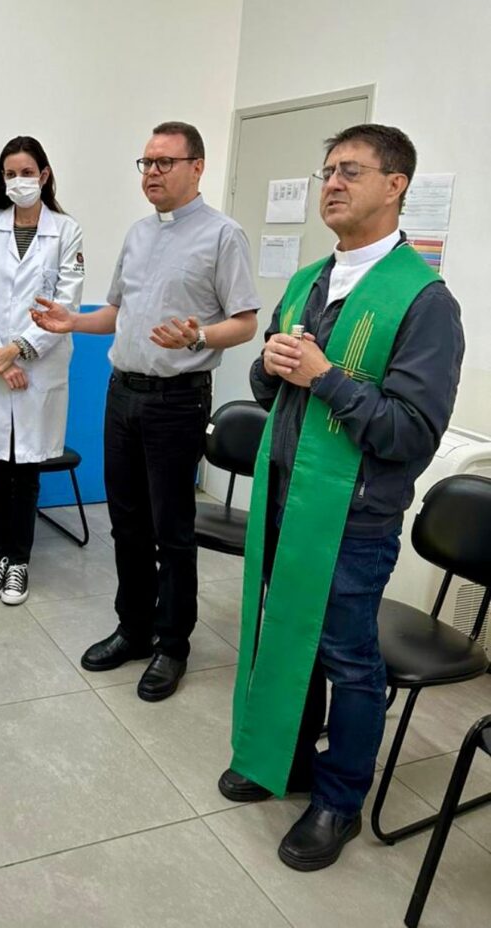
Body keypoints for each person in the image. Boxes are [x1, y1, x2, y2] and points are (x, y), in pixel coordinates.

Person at [219, 124, 465, 871]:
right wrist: (267, 367)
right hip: (286, 498)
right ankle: (281, 762)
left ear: (395, 186)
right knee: (282, 633)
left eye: (349, 171)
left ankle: (338, 800)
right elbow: (270, 391)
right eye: (326, 169)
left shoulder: (425, 303)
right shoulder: (308, 281)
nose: (330, 182)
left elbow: (410, 433)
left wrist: (325, 378)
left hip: (352, 517)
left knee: (346, 659)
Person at [32, 121, 259, 700]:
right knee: (126, 521)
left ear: (197, 167)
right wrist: (72, 322)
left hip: (176, 401)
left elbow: (246, 321)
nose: (151, 173)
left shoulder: (222, 235)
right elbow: (118, 311)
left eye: (164, 162)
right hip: (123, 393)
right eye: (146, 163)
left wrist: (198, 336)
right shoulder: (137, 234)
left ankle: (171, 644)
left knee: (171, 530)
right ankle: (132, 627)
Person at [0, 136, 84, 606]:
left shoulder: (66, 231)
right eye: (10, 174)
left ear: (45, 175)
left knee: (27, 469)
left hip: (38, 367)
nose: (18, 182)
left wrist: (19, 350)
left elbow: (65, 305)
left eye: (27, 173)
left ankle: (20, 563)